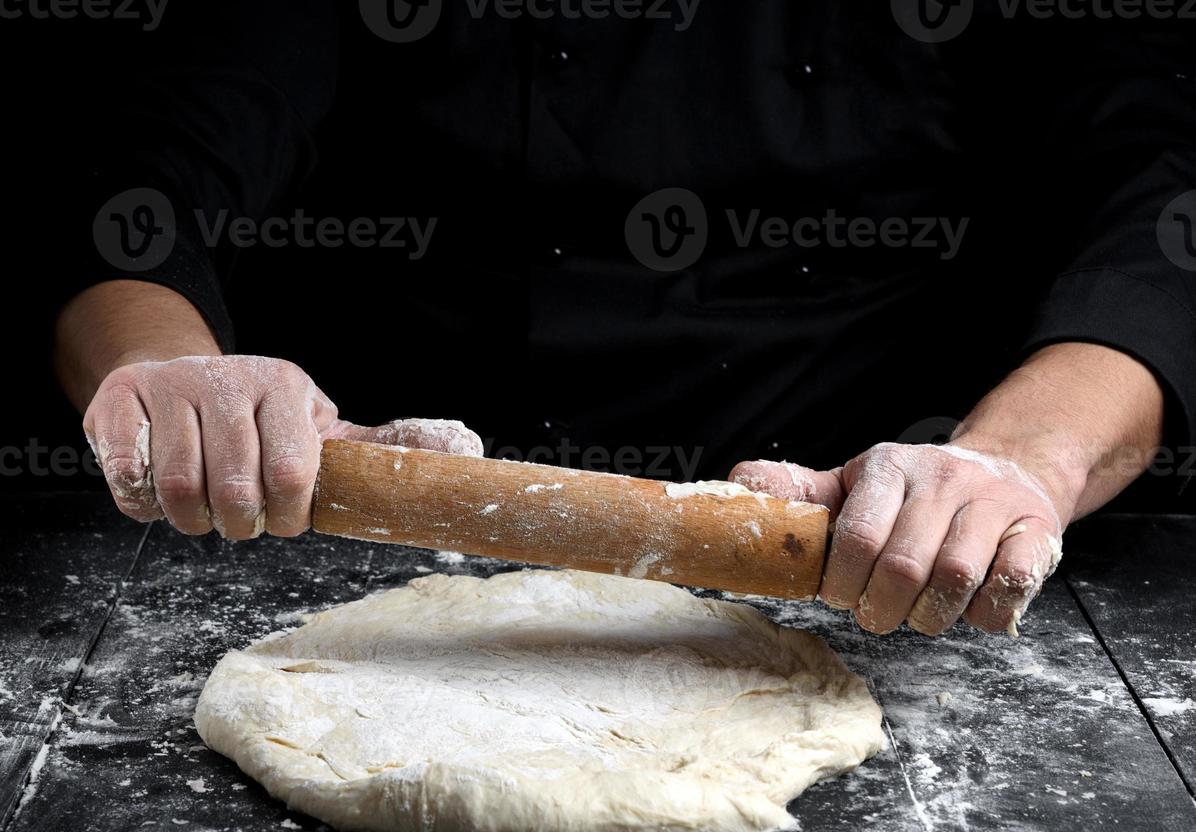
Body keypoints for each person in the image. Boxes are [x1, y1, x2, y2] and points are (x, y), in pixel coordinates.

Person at [50, 3, 1194, 638]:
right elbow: (137, 168)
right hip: (369, 558)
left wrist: (1014, 464)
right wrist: (164, 364)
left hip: (851, 569)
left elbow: (1160, 199)